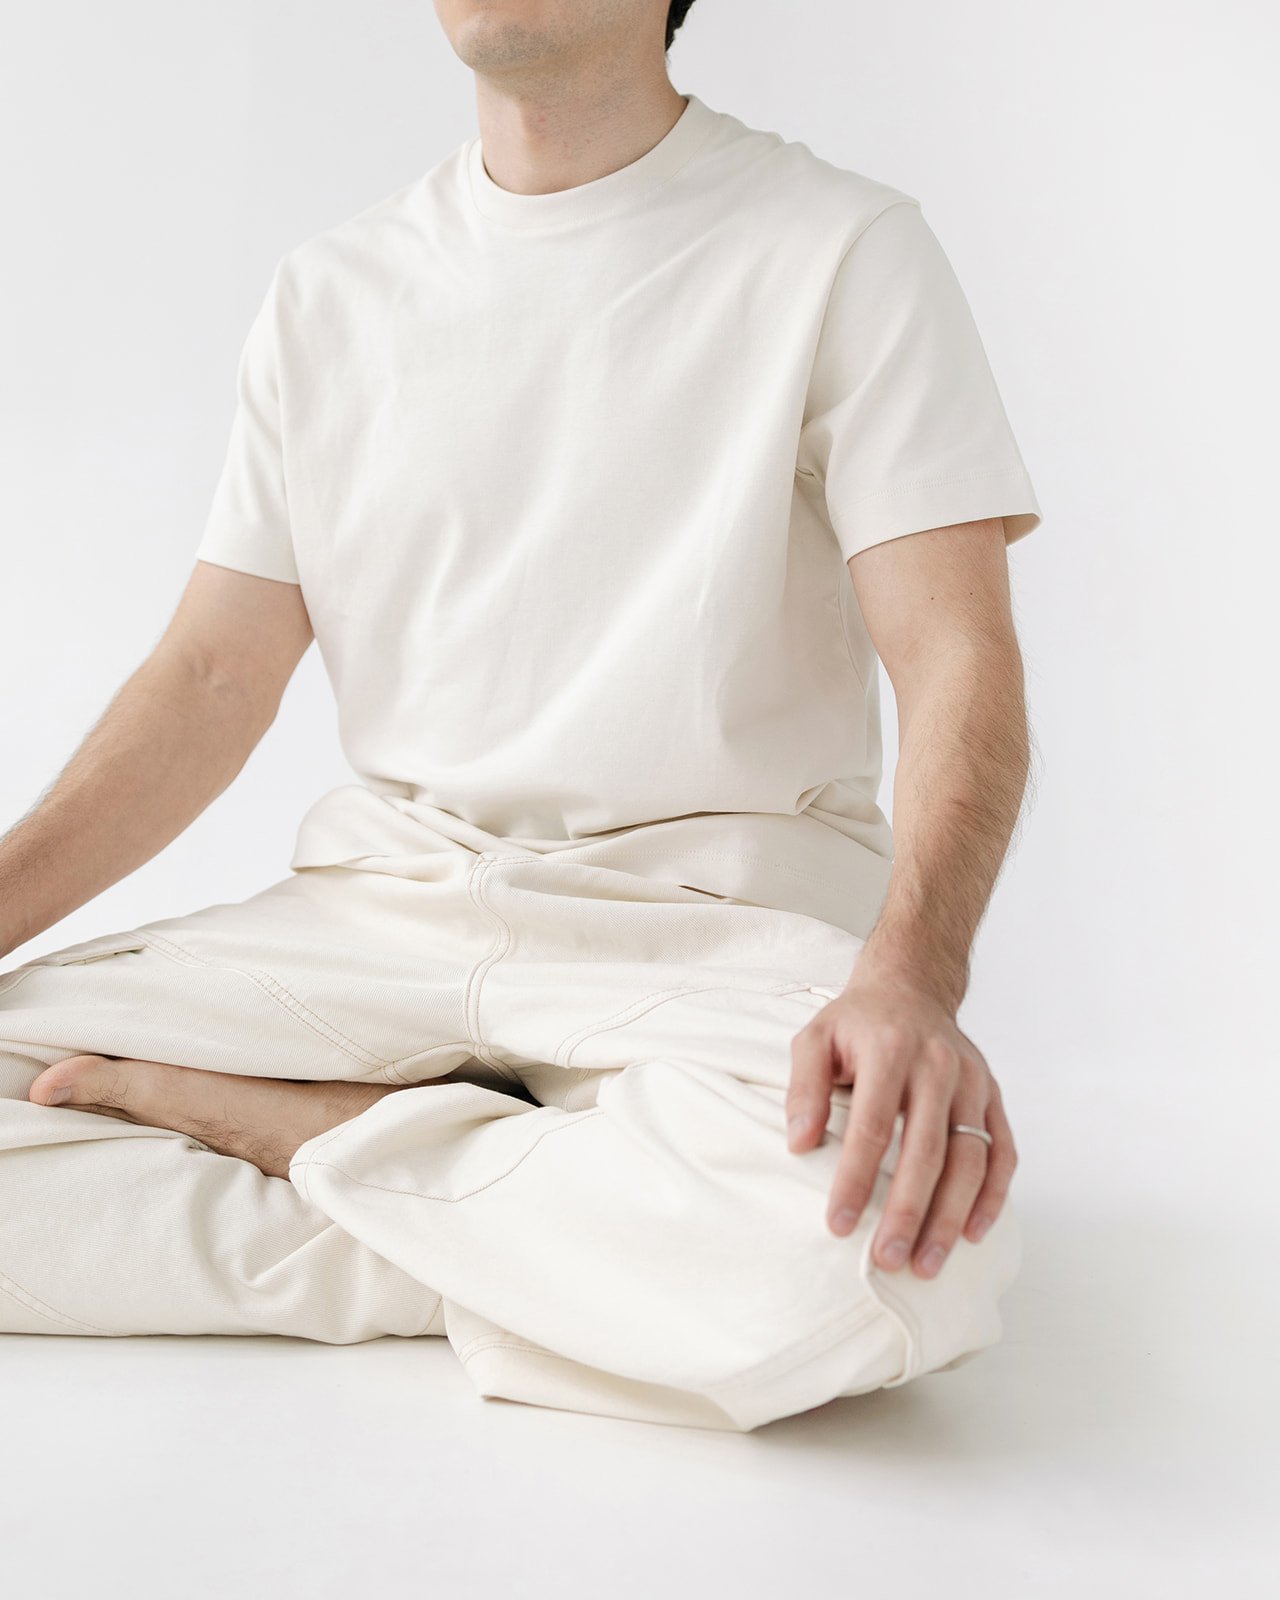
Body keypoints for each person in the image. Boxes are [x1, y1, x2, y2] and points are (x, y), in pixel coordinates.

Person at [0, 0, 1040, 1431]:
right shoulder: (334, 290)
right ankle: (549, 1233)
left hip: (705, 923)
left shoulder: (841, 248)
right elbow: (212, 678)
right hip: (381, 920)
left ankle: (337, 1151)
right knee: (801, 1264)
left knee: (889, 1246)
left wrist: (911, 983)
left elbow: (958, 653)